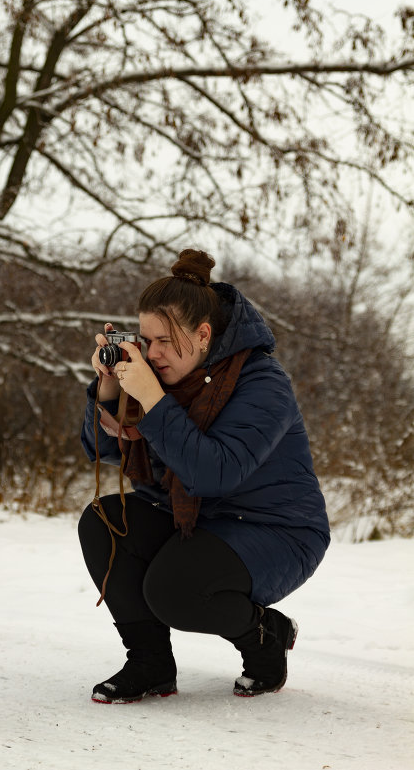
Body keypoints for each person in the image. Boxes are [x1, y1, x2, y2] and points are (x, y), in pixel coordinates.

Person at [78, 248, 330, 703]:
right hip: (199, 520)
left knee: (174, 589)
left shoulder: (262, 383)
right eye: (145, 340)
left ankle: (265, 637)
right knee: (104, 520)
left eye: (163, 341)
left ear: (203, 334)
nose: (151, 355)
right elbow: (101, 451)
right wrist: (110, 390)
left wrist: (154, 401)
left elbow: (213, 472)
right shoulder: (166, 377)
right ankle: (150, 664)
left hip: (278, 530)